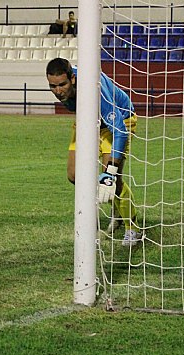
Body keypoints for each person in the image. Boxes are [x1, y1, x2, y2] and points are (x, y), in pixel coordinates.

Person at [45, 57, 142, 246]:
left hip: (120, 121)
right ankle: (116, 206)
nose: (58, 91)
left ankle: (133, 229)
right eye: (53, 86)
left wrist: (110, 172)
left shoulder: (94, 91)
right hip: (89, 120)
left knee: (113, 177)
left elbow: (120, 130)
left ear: (72, 78)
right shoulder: (66, 84)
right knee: (74, 174)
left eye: (62, 85)